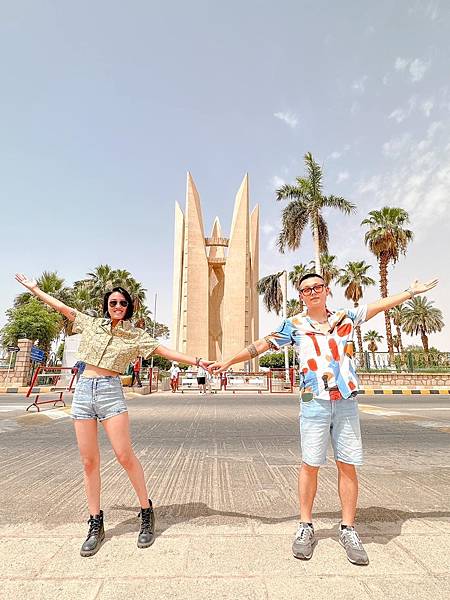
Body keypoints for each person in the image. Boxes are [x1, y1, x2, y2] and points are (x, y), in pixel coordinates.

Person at [211, 273, 438, 565]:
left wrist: (409, 291)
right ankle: (305, 525)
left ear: (326, 291)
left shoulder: (345, 317)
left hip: (345, 402)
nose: (312, 292)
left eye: (317, 287)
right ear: (301, 296)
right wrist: (228, 361)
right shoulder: (294, 325)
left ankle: (348, 528)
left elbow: (376, 306)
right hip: (313, 402)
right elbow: (261, 345)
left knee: (347, 464)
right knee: (310, 464)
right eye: (306, 289)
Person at [15, 273, 213, 557]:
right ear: (106, 305)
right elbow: (62, 308)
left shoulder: (135, 335)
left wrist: (197, 361)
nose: (117, 306)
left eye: (122, 303)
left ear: (129, 306)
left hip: (110, 392)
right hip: (83, 391)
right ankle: (95, 522)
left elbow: (165, 351)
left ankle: (146, 510)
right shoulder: (92, 324)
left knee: (124, 455)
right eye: (113, 302)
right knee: (88, 461)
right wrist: (34, 289)